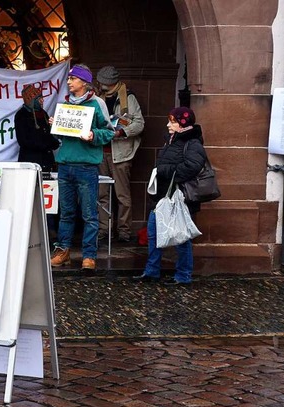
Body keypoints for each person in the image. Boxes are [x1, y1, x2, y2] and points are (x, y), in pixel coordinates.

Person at [49, 64, 115, 270]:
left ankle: (89, 255)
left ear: (84, 82)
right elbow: (61, 136)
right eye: (68, 79)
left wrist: (93, 135)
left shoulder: (97, 104)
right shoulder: (65, 103)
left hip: (86, 165)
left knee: (88, 213)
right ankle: (63, 251)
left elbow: (109, 131)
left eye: (73, 79)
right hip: (66, 163)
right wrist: (56, 126)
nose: (69, 82)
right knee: (66, 212)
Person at [134, 106, 207, 285]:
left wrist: (166, 171)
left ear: (182, 123)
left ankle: (183, 275)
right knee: (153, 232)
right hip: (162, 195)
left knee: (181, 237)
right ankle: (152, 271)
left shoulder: (192, 143)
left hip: (178, 196)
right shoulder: (172, 140)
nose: (168, 125)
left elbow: (193, 166)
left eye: (172, 122)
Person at [96, 65, 145, 243]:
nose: (102, 86)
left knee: (122, 195)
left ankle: (124, 232)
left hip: (121, 153)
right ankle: (103, 230)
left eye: (105, 83)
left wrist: (121, 132)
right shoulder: (97, 98)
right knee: (102, 194)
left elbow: (139, 124)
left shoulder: (128, 98)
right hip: (100, 151)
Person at [14, 84, 60, 172]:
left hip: (47, 160)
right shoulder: (21, 115)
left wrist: (55, 143)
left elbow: (48, 133)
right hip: (30, 162)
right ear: (32, 101)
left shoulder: (43, 113)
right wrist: (46, 145)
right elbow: (23, 141)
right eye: (39, 99)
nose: (42, 101)